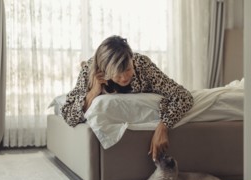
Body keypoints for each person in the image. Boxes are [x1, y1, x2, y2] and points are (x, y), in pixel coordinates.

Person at [61, 35, 194, 161]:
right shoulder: (90, 71)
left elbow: (183, 96)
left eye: (128, 69)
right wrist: (93, 92)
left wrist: (163, 126)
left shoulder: (142, 64)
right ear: (104, 70)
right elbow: (68, 115)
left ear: (132, 60)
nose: (124, 77)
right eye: (117, 74)